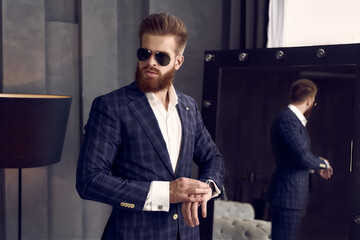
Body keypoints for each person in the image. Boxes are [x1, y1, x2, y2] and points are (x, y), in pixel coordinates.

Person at [76, 13, 225, 240]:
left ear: (178, 61)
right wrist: (167, 192)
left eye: (162, 57)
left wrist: (205, 188)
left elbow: (212, 156)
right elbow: (89, 180)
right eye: (144, 53)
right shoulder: (111, 106)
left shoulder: (188, 106)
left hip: (186, 234)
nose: (151, 62)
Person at [266, 78, 333, 240]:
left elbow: (297, 156)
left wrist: (315, 162)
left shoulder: (291, 120)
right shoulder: (288, 120)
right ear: (310, 101)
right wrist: (323, 163)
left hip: (290, 196)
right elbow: (302, 156)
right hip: (287, 196)